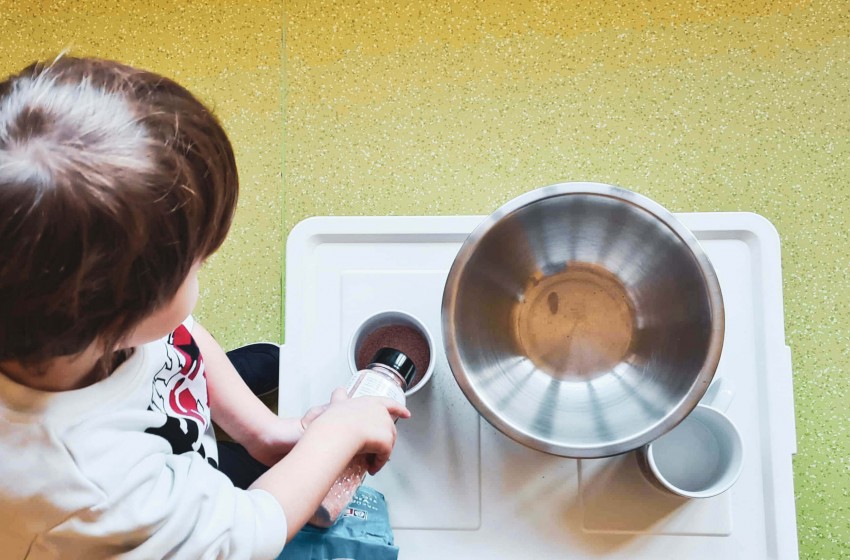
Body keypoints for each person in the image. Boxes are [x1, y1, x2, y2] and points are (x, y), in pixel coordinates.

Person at [0, 56, 410, 559]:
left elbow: (177, 331)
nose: (203, 270)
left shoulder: (64, 305)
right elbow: (249, 531)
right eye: (198, 264)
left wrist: (264, 432)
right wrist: (339, 431)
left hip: (165, 433)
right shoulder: (92, 492)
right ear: (120, 315)